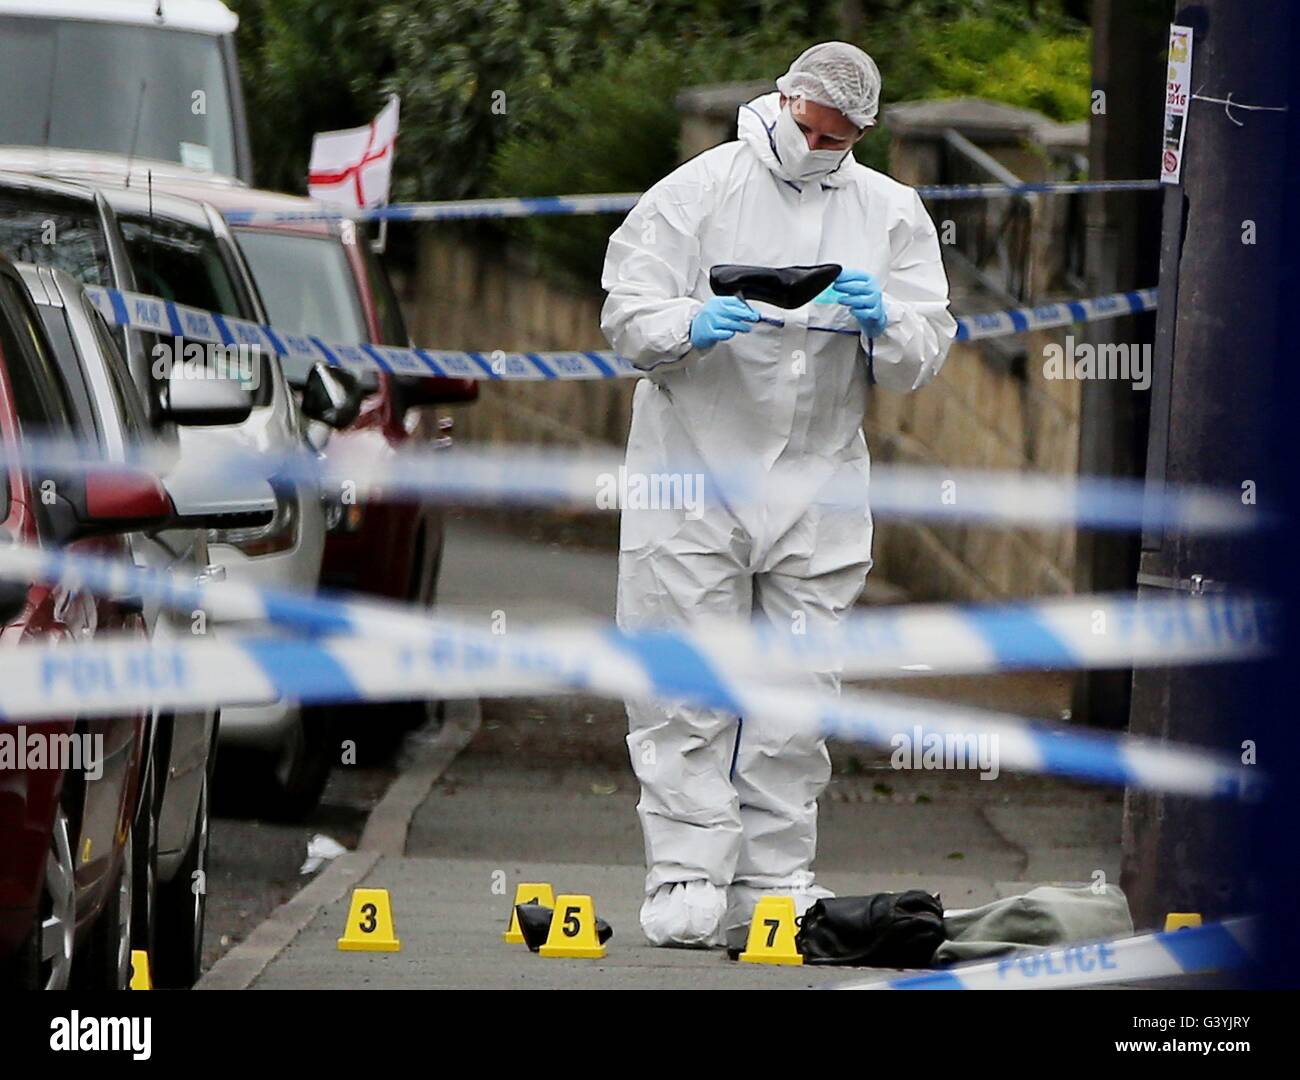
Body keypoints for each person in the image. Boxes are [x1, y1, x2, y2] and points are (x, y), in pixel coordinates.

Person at [601, 41, 955, 949]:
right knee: (685, 684)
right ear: (785, 98)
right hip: (693, 471)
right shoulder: (699, 190)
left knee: (798, 689)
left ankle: (774, 880)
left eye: (838, 139)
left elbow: (923, 352)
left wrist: (890, 321)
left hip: (819, 478)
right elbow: (626, 312)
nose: (818, 146)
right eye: (809, 127)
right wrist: (690, 322)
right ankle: (684, 873)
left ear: (862, 135)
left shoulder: (889, 212)